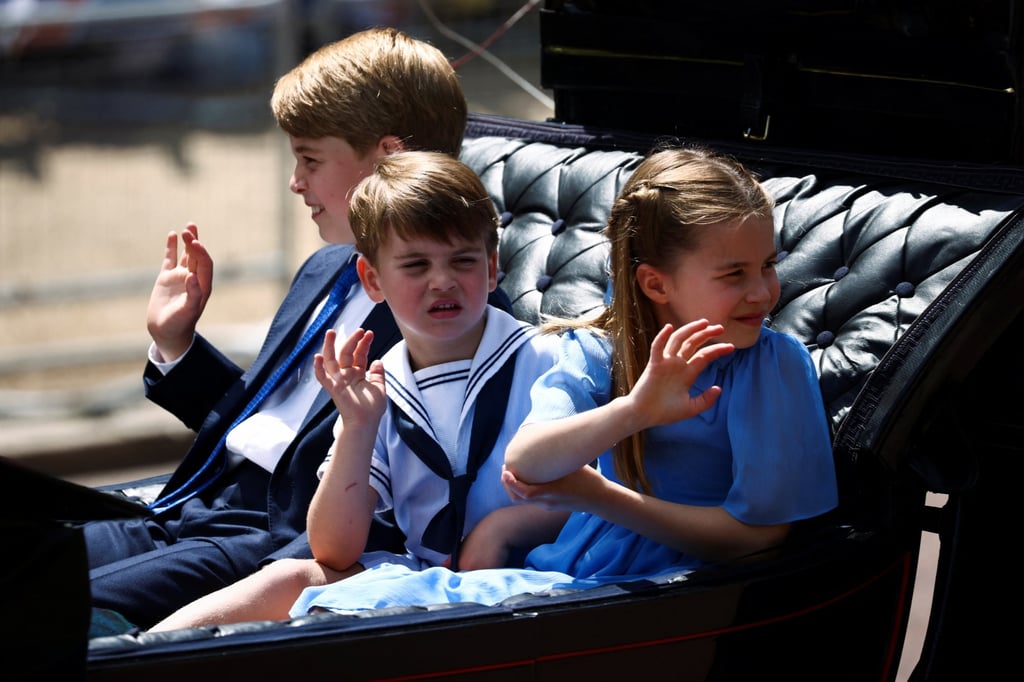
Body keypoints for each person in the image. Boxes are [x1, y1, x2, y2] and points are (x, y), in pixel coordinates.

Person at [276, 145, 840, 616]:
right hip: (565, 574)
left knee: (353, 617)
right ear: (656, 284)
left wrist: (603, 497)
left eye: (766, 265)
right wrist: (636, 410)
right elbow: (530, 460)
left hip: (656, 591)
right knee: (322, 603)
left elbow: (759, 539)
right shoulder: (598, 350)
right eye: (734, 274)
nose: (764, 291)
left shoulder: (771, 365)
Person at [81, 28, 501, 630]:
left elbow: (398, 500)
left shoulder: (447, 311)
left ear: (385, 158)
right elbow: (264, 425)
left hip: (264, 541)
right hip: (188, 506)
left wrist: (272, 591)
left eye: (309, 159)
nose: (295, 182)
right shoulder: (328, 266)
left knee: (54, 603)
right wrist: (178, 344)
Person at [148, 151, 567, 632]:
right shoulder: (381, 384)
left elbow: (619, 489)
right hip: (436, 583)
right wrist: (357, 428)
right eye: (414, 265)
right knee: (286, 578)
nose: (442, 280)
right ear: (373, 280)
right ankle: (134, 657)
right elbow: (333, 549)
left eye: (463, 260)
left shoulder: (550, 360)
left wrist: (508, 527)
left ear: (492, 269)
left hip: (552, 576)